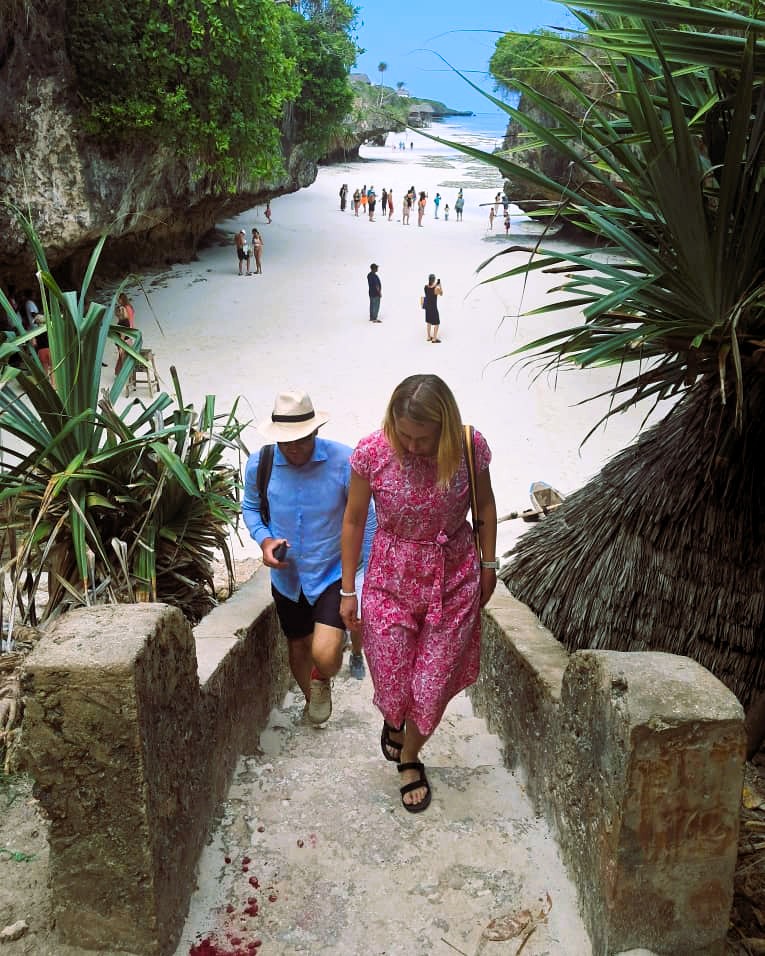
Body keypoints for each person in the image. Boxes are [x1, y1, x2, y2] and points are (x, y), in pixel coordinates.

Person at [340, 374, 498, 812]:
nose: (411, 446)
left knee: (429, 688)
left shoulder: (469, 448)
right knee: (392, 682)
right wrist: (347, 589)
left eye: (422, 438)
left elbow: (484, 505)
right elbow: (353, 520)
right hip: (390, 577)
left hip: (453, 576)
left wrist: (488, 564)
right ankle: (395, 720)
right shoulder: (371, 452)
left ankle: (409, 757)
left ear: (444, 427)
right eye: (404, 435)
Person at [242, 390, 375, 724]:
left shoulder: (345, 461)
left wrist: (368, 577)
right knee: (298, 645)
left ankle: (322, 676)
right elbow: (250, 509)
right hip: (287, 578)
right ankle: (311, 697)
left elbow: (367, 520)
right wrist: (264, 540)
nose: (294, 448)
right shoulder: (262, 463)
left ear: (316, 431)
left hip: (333, 572)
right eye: (286, 441)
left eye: (301, 440)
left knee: (326, 655)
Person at [114, 292, 136, 375]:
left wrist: (128, 330)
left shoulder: (126, 308)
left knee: (123, 356)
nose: (118, 301)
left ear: (121, 299)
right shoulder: (128, 307)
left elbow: (129, 319)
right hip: (128, 331)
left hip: (127, 331)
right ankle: (119, 372)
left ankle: (121, 373)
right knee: (123, 356)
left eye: (119, 299)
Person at [422, 273, 443, 343]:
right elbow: (441, 293)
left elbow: (430, 288)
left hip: (427, 308)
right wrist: (440, 286)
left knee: (429, 322)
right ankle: (434, 338)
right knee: (437, 323)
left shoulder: (425, 287)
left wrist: (435, 285)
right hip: (433, 308)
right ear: (434, 280)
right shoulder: (436, 289)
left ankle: (428, 337)